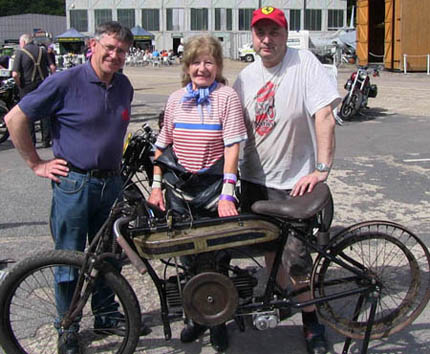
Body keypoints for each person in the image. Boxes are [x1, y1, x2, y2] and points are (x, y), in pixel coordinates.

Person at [4, 21, 146, 354]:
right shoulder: (66, 81)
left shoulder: (124, 85)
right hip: (74, 183)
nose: (114, 55)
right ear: (94, 46)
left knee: (107, 257)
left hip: (111, 182)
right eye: (109, 47)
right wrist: (36, 163)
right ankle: (66, 325)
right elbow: (15, 119)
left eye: (121, 51)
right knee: (70, 259)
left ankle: (107, 316)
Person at [233, 7, 340, 354]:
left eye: (274, 32)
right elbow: (234, 135)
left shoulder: (303, 62)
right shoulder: (244, 78)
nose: (267, 39)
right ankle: (283, 298)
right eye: (260, 32)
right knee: (269, 250)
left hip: (294, 182)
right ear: (252, 36)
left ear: (285, 33)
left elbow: (324, 114)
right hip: (254, 180)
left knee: (296, 260)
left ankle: (311, 322)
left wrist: (321, 168)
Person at [148, 34, 247, 352]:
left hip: (215, 187)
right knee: (187, 259)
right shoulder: (176, 99)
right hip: (180, 190)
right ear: (186, 66)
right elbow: (162, 145)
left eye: (209, 61)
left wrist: (228, 194)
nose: (202, 67)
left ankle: (218, 319)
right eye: (196, 61)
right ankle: (194, 318)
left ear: (217, 65)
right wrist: (155, 187)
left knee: (218, 258)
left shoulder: (227, 96)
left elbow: (233, 146)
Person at [12, 34, 54, 147]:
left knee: (27, 112)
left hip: (27, 86)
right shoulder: (42, 51)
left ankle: (32, 141)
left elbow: (15, 74)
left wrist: (19, 84)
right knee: (45, 112)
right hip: (43, 84)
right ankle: (46, 139)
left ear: (24, 42)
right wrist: (51, 79)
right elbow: (53, 67)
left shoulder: (20, 53)